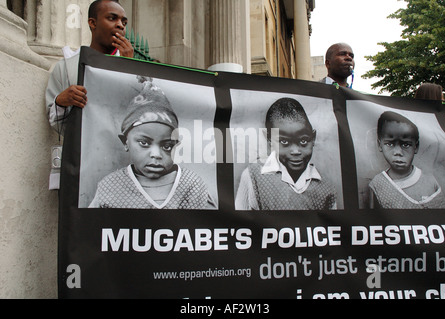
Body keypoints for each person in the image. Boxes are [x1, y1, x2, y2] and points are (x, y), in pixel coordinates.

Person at [89, 77, 217, 210]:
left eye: (167, 146)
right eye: (144, 143)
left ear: (176, 145)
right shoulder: (110, 187)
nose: (156, 155)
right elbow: (89, 227)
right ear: (125, 142)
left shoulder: (192, 186)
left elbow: (212, 226)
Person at [46, 0, 134, 133]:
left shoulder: (135, 70)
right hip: (81, 150)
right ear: (93, 23)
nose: (120, 25)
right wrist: (61, 102)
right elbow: (56, 123)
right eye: (112, 18)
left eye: (124, 22)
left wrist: (129, 68)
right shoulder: (65, 68)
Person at [235, 98, 337, 210]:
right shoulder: (253, 176)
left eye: (303, 141)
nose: (295, 151)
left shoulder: (326, 187)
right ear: (269, 139)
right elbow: (240, 223)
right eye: (284, 141)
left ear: (313, 138)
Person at [369, 111, 445, 209]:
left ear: (416, 147)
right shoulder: (377, 185)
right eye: (390, 144)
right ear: (380, 145)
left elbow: (443, 217)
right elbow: (372, 220)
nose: (398, 152)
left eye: (405, 144)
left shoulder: (430, 181)